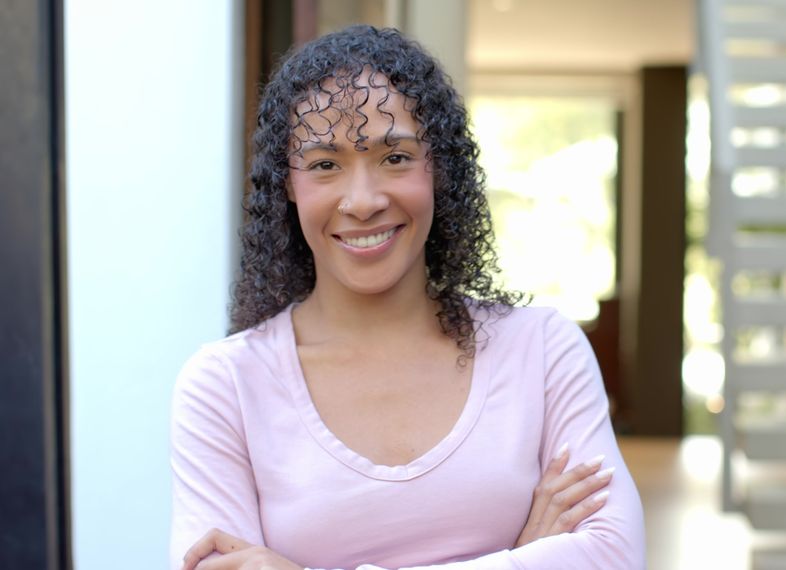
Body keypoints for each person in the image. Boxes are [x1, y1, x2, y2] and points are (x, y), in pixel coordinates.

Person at [170, 25, 645, 570]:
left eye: (395, 157)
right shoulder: (224, 386)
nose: (364, 200)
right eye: (325, 164)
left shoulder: (541, 350)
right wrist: (521, 557)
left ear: (438, 169)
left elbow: (613, 555)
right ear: (286, 186)